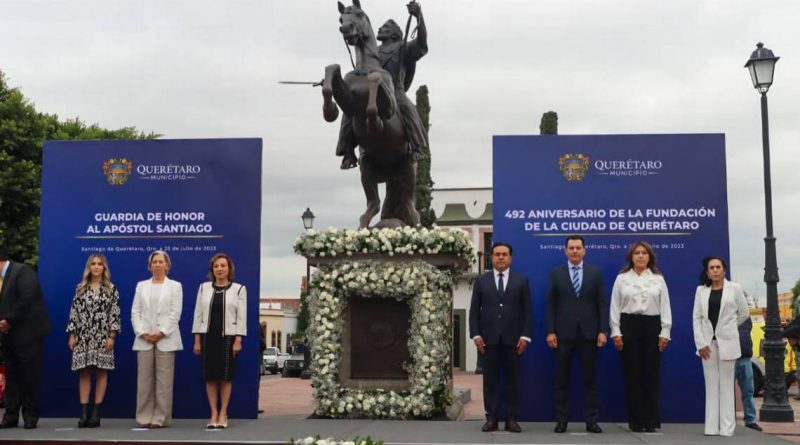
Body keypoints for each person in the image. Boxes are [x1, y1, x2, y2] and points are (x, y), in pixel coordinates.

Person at [336, 1, 428, 169]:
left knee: (407, 108)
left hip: (394, 90)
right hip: (368, 89)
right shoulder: (372, 50)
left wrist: (419, 17)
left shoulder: (402, 47)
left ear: (395, 34)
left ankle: (416, 145)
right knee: (349, 111)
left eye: (386, 27)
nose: (380, 28)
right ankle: (348, 150)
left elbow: (421, 45)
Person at [546, 235, 607, 434]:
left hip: (589, 334)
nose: (574, 251)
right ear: (565, 251)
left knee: (590, 380)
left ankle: (591, 420)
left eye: (578, 248)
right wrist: (550, 331)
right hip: (563, 334)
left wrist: (602, 330)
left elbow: (601, 304)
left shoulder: (595, 273)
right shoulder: (556, 273)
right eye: (571, 248)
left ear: (584, 250)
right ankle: (562, 420)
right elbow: (551, 305)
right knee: (562, 380)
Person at [468, 242, 531, 433]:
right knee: (491, 381)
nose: (501, 257)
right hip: (488, 340)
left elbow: (527, 311)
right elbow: (473, 311)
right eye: (497, 254)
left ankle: (512, 419)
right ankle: (492, 418)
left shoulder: (521, 281)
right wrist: (476, 335)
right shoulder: (481, 280)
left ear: (510, 258)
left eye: (504, 254)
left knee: (513, 380)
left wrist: (526, 336)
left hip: (514, 340)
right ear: (492, 257)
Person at [609, 241, 672, 433]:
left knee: (650, 375)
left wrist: (665, 332)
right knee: (632, 375)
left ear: (649, 257)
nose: (640, 256)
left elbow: (665, 307)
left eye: (644, 253)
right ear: (631, 257)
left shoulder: (658, 279)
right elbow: (615, 307)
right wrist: (616, 332)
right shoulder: (621, 279)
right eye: (637, 253)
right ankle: (636, 421)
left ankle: (651, 421)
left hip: (652, 326)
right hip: (629, 326)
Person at [692, 256, 749, 436]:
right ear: (707, 272)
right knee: (711, 385)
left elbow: (744, 313)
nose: (715, 270)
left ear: (724, 270)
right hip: (707, 343)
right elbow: (697, 318)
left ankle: (727, 428)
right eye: (712, 268)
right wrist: (701, 343)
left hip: (728, 342)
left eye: (718, 267)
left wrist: (729, 327)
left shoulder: (735, 289)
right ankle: (711, 427)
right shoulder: (701, 291)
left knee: (726, 385)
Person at [192, 253, 247, 429]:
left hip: (228, 338)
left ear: (229, 269)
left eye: (223, 266)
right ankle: (213, 413)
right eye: (216, 266)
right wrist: (197, 340)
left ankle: (223, 412)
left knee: (224, 377)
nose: (220, 269)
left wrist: (238, 339)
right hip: (208, 337)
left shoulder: (239, 289)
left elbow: (241, 317)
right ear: (212, 270)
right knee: (209, 377)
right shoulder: (203, 288)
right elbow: (198, 315)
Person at [66, 253, 121, 428]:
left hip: (102, 337)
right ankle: (83, 413)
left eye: (100, 264)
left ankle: (96, 413)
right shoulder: (80, 288)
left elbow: (115, 313)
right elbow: (74, 312)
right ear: (89, 267)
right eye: (93, 264)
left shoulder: (111, 289)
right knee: (84, 373)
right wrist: (72, 334)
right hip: (83, 336)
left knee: (101, 372)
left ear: (104, 268)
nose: (96, 267)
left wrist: (112, 336)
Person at [131, 250, 183, 428]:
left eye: (161, 262)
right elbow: (135, 312)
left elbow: (175, 314)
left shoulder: (175, 286)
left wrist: (161, 332)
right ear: (150, 265)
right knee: (144, 383)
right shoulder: (141, 286)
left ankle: (161, 418)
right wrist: (142, 332)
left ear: (167, 265)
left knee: (164, 383)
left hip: (166, 339)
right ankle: (144, 418)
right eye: (155, 262)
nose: (158, 264)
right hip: (144, 339)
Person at [0, 248, 51, 429]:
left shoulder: (22, 271)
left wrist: (9, 320)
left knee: (29, 375)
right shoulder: (3, 278)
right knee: (12, 375)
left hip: (28, 333)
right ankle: (10, 415)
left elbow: (27, 299)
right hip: (8, 335)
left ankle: (30, 415)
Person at [735, 317, 762, 431]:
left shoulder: (746, 318)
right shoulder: (727, 314)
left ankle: (750, 420)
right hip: (731, 358)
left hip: (746, 358)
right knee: (725, 391)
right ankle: (726, 418)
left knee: (749, 391)